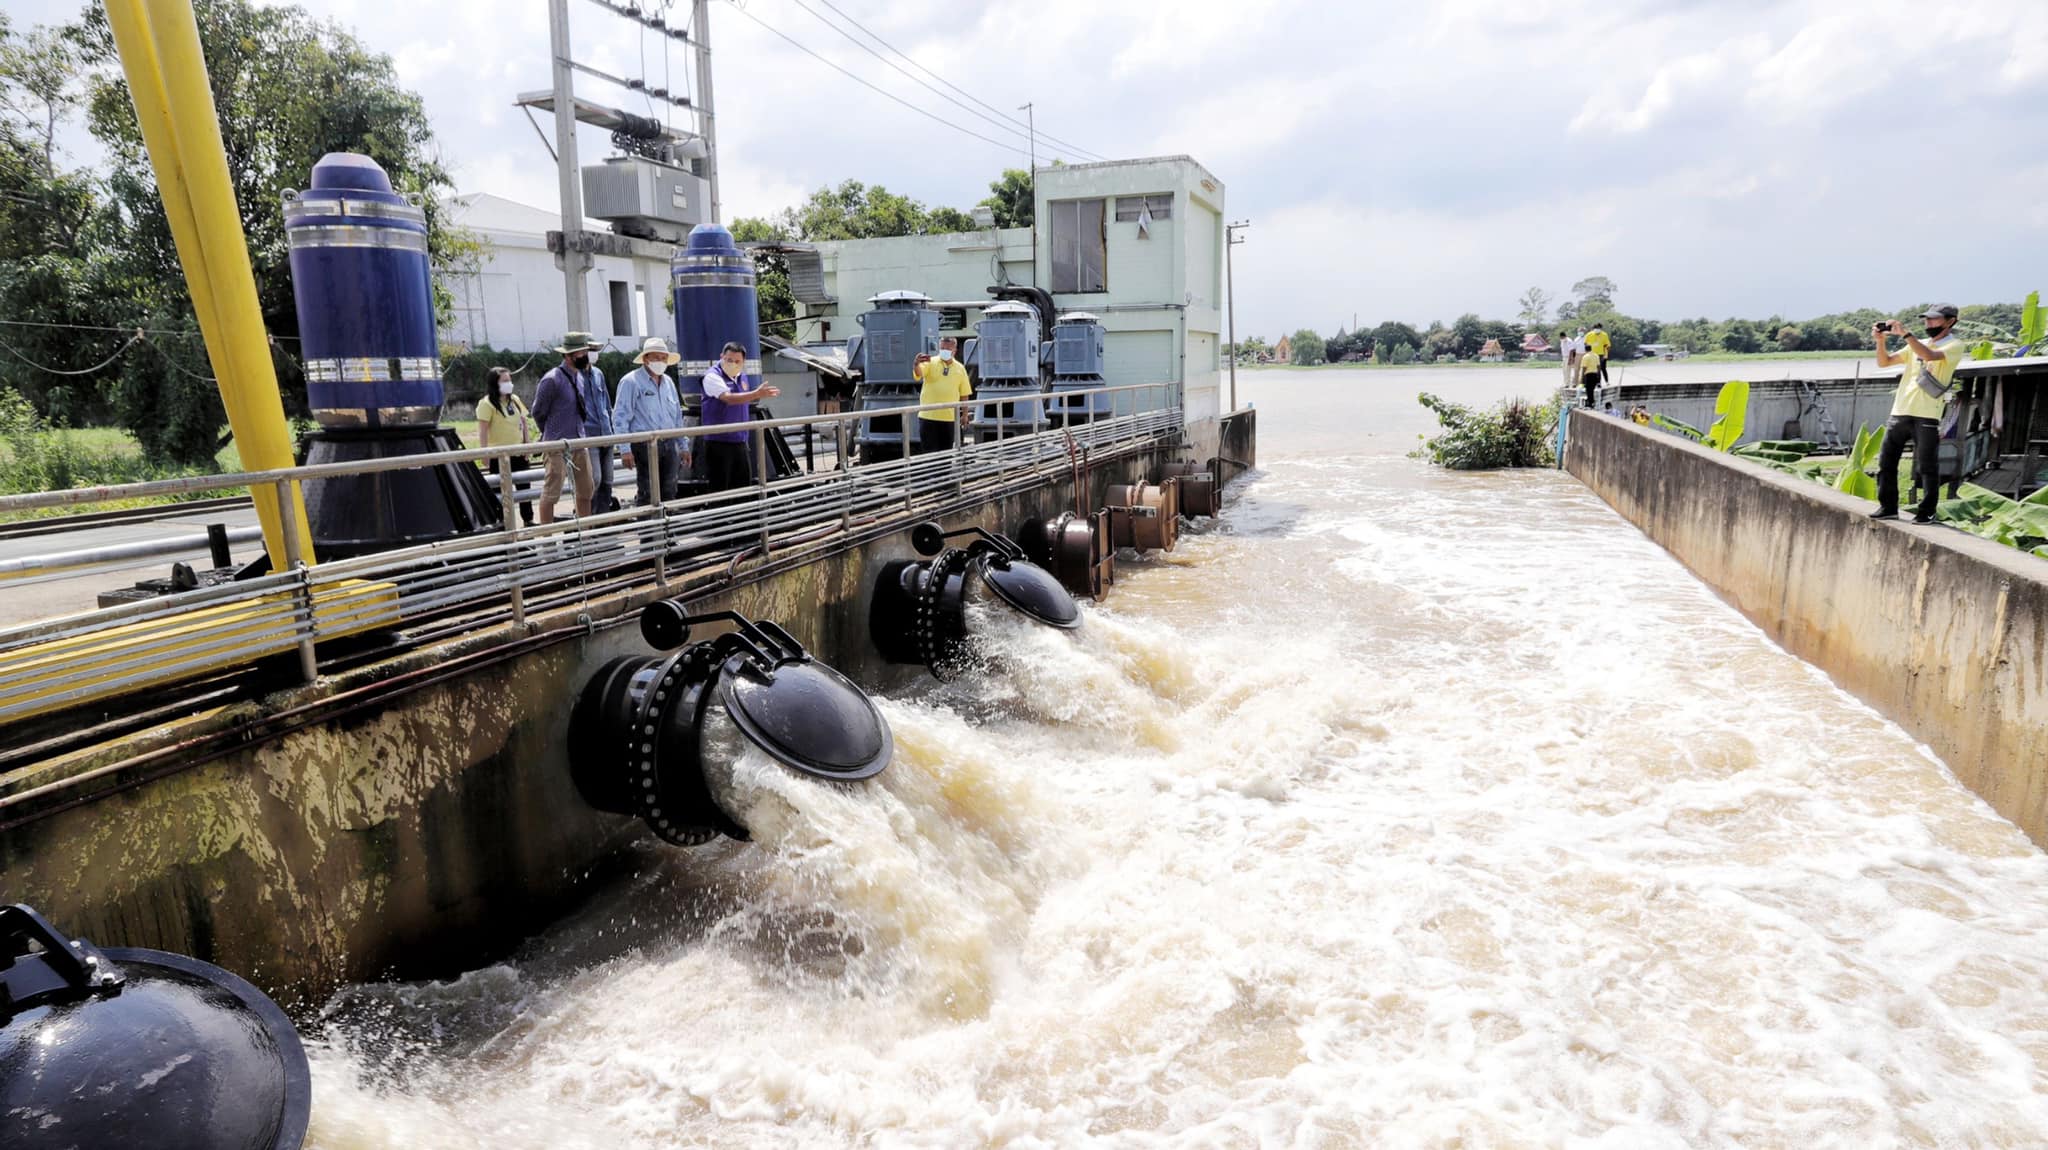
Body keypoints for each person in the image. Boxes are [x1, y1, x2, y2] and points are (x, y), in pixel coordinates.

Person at [1872, 304, 1967, 524]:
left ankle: (1927, 511)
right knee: (1886, 462)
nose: (1928, 324)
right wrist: (1880, 340)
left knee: (1927, 465)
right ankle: (1888, 507)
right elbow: (1884, 362)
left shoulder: (1954, 345)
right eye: (1926, 320)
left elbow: (1930, 356)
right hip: (1900, 411)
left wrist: (1905, 334)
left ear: (1950, 321)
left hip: (1927, 414)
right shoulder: (1917, 344)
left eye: (1934, 320)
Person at [611, 336, 687, 506]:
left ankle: (666, 530)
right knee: (648, 490)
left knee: (669, 489)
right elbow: (620, 417)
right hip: (644, 443)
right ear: (645, 359)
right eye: (655, 357)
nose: (660, 362)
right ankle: (649, 530)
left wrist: (683, 445)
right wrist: (624, 449)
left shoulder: (668, 383)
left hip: (669, 442)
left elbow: (676, 417)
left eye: (663, 358)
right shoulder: (631, 381)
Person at [531, 332, 597, 522]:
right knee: (551, 492)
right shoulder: (551, 379)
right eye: (581, 353)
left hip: (578, 440)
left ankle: (585, 535)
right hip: (556, 444)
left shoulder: (580, 378)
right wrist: (550, 433)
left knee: (586, 490)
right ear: (568, 356)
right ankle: (547, 539)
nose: (585, 356)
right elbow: (538, 411)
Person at [700, 340, 780, 492]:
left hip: (740, 440)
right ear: (721, 356)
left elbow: (743, 400)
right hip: (719, 442)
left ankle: (743, 515)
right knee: (720, 490)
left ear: (743, 362)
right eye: (729, 360)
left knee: (743, 487)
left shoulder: (742, 376)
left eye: (737, 361)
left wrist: (755, 394)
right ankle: (721, 515)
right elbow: (728, 398)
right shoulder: (712, 376)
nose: (732, 364)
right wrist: (756, 394)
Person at [474, 366, 536, 526]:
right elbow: (482, 430)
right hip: (499, 456)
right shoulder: (486, 403)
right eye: (505, 381)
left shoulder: (514, 399)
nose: (509, 384)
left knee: (524, 488)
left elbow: (523, 421)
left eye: (510, 380)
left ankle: (528, 520)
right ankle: (501, 523)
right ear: (495, 383)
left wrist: (527, 445)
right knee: (500, 492)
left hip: (518, 452)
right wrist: (485, 454)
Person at [572, 336, 618, 512]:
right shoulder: (574, 376)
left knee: (608, 480)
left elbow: (606, 402)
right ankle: (585, 515)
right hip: (588, 434)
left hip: (605, 432)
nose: (593, 354)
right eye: (589, 350)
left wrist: (612, 430)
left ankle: (602, 518)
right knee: (594, 479)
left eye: (595, 350)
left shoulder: (598, 373)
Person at [912, 337, 973, 453]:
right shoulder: (930, 362)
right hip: (928, 417)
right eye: (942, 348)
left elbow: (964, 393)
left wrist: (965, 414)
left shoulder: (960, 368)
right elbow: (919, 373)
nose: (944, 351)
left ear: (954, 350)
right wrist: (916, 365)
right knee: (929, 453)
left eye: (948, 348)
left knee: (946, 453)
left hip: (949, 418)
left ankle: (946, 472)